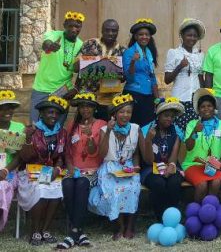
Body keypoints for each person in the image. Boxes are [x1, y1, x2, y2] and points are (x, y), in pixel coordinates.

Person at [88, 94, 143, 240]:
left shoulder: (136, 129)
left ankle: (130, 226)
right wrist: (109, 131)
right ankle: (120, 226)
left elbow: (136, 154)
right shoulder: (104, 129)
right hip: (109, 167)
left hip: (128, 167)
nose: (125, 115)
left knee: (133, 188)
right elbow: (102, 154)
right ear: (114, 114)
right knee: (112, 189)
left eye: (128, 112)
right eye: (122, 112)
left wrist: (136, 166)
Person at [58, 93, 107, 249]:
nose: (85, 109)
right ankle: (79, 232)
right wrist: (70, 167)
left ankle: (73, 233)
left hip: (92, 170)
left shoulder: (101, 124)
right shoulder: (72, 125)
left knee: (81, 184)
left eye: (89, 106)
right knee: (67, 184)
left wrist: (90, 136)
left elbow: (96, 152)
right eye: (82, 106)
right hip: (74, 168)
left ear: (94, 108)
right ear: (78, 109)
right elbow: (67, 151)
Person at [18, 96, 68, 246]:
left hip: (50, 171)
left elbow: (61, 156)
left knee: (57, 189)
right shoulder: (32, 130)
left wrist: (57, 168)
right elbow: (25, 157)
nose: (54, 116)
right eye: (50, 112)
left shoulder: (62, 133)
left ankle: (45, 230)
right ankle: (35, 231)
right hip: (30, 172)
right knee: (40, 189)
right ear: (41, 114)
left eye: (57, 113)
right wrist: (28, 139)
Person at [30, 11, 84, 123]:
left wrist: (76, 88)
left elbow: (81, 70)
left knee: (57, 127)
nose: (74, 29)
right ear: (64, 25)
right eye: (70, 26)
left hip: (63, 92)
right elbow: (46, 44)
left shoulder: (81, 45)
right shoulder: (54, 35)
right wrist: (50, 46)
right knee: (35, 125)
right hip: (42, 88)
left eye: (77, 26)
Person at [183, 88, 221, 203]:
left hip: (213, 166)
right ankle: (197, 210)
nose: (206, 109)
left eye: (209, 106)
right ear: (198, 110)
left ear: (214, 108)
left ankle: (209, 209)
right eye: (202, 107)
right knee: (202, 185)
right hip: (193, 164)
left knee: (216, 183)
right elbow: (188, 147)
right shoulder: (192, 124)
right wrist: (194, 131)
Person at [141, 97, 185, 220]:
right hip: (150, 167)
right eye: (166, 115)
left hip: (170, 165)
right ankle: (160, 217)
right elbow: (148, 160)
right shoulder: (146, 130)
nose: (169, 119)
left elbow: (173, 157)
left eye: (172, 116)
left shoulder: (176, 130)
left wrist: (171, 166)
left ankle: (172, 216)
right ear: (158, 115)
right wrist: (148, 140)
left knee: (174, 182)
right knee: (158, 183)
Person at [78, 19, 126, 121]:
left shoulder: (122, 51)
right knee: (85, 126)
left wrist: (116, 73)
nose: (110, 33)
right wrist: (89, 61)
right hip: (88, 96)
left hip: (109, 99)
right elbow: (75, 67)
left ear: (117, 32)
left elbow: (123, 77)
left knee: (105, 126)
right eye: (107, 30)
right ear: (102, 30)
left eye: (114, 31)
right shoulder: (90, 44)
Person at [164, 18, 206, 132]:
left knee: (193, 131)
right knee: (179, 130)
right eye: (189, 35)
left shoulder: (200, 55)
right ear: (182, 35)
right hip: (180, 98)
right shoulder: (174, 53)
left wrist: (203, 96)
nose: (192, 38)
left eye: (195, 36)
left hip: (195, 99)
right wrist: (180, 66)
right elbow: (167, 80)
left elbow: (200, 77)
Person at [122, 18, 160, 127]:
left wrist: (157, 99)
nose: (144, 37)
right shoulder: (129, 52)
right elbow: (129, 77)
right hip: (134, 94)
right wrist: (133, 61)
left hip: (148, 96)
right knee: (134, 127)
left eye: (147, 34)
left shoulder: (149, 53)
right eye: (141, 34)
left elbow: (152, 77)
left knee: (147, 127)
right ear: (135, 36)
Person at [0, 90, 25, 232]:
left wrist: (5, 170)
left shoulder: (19, 128)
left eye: (10, 108)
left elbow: (20, 156)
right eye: (3, 108)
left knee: (2, 186)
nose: (8, 111)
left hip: (9, 170)